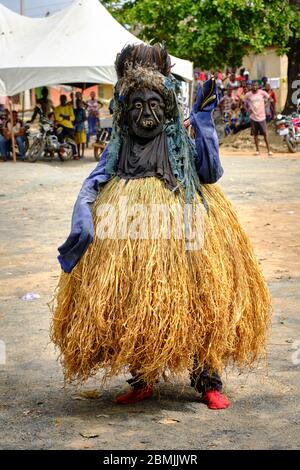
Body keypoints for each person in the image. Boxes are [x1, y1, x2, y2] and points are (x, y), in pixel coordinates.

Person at [51, 44, 271, 410]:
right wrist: (83, 214)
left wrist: (203, 121)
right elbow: (95, 179)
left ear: (166, 105)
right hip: (129, 232)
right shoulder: (118, 147)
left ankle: (207, 380)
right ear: (124, 111)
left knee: (203, 299)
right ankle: (143, 378)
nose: (145, 114)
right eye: (136, 106)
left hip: (187, 227)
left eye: (153, 104)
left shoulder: (179, 143)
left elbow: (211, 172)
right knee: (134, 302)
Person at [244, 81, 273, 156]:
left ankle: (269, 150)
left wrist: (266, 105)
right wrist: (247, 109)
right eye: (253, 85)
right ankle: (257, 150)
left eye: (256, 85)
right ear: (251, 86)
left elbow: (270, 99)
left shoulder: (262, 92)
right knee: (255, 134)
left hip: (262, 117)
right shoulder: (248, 94)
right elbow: (244, 102)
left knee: (265, 134)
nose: (254, 87)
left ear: (258, 86)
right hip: (253, 117)